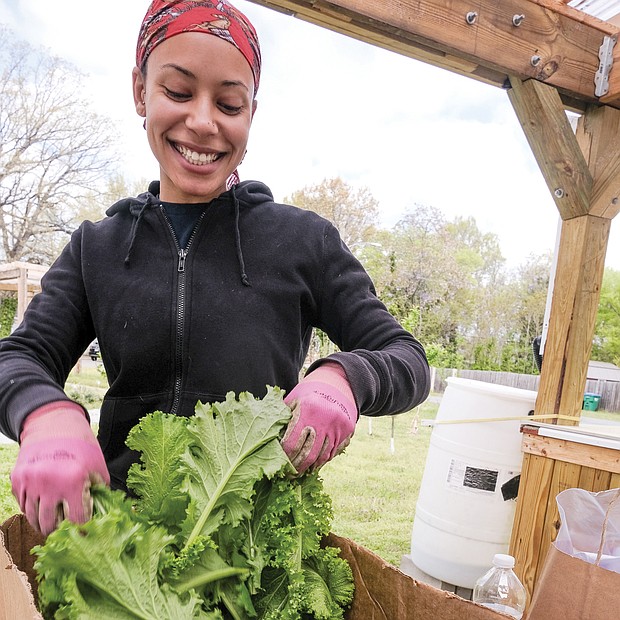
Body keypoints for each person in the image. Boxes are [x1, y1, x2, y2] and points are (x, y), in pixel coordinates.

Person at [0, 0, 430, 536]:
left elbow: (408, 359)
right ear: (140, 90)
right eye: (177, 92)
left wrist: (347, 378)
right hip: (124, 541)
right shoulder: (97, 247)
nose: (202, 123)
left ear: (252, 114)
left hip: (251, 548)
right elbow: (19, 356)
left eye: (229, 104)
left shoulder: (304, 241)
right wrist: (42, 411)